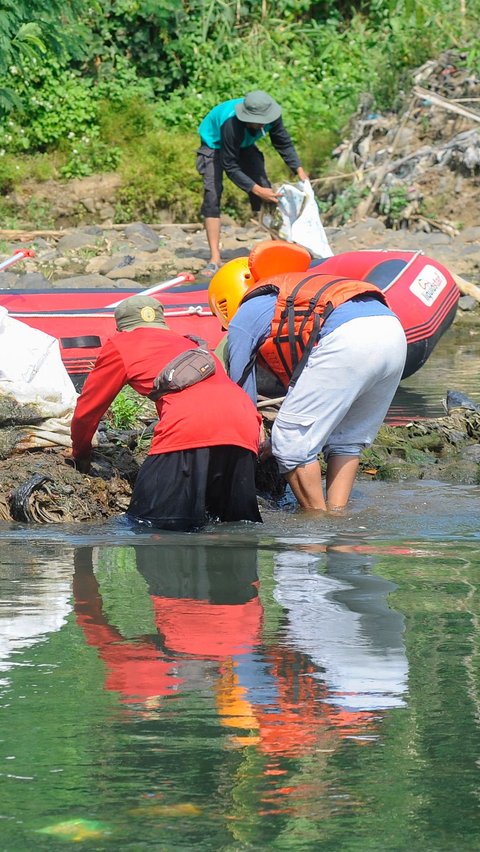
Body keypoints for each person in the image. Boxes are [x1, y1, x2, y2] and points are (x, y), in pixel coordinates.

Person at [208, 246, 407, 512]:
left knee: (290, 442)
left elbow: (241, 391)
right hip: (392, 330)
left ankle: (315, 524)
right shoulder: (295, 290)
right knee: (346, 440)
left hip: (349, 337)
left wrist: (258, 443)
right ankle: (337, 517)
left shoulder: (248, 311)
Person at [70, 294, 262, 530]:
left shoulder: (121, 344)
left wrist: (80, 453)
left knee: (149, 526)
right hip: (245, 423)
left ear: (121, 327)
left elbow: (88, 410)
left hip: (190, 425)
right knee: (232, 527)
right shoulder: (191, 344)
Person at [196, 90, 307, 277]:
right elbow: (229, 165)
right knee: (212, 194)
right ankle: (215, 258)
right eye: (259, 122)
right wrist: (256, 190)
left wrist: (300, 172)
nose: (263, 125)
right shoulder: (231, 124)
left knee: (266, 187)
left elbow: (284, 144)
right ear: (247, 117)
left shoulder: (272, 116)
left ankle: (280, 247)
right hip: (213, 145)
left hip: (244, 145)